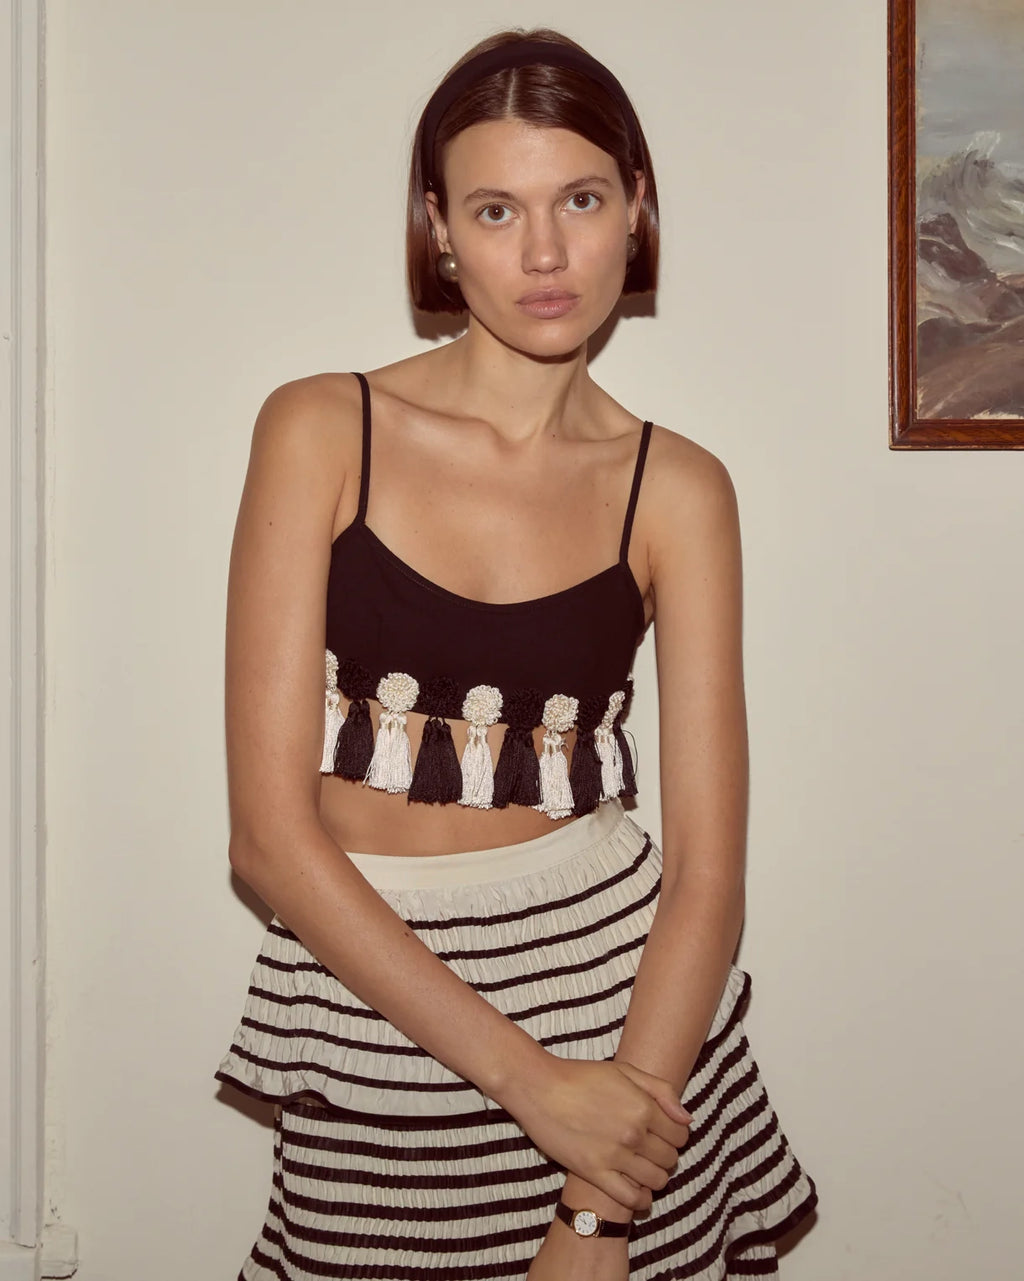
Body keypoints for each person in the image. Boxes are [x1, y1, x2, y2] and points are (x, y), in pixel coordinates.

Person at [215, 26, 817, 1281]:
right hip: (380, 1017)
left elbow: (707, 878)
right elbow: (268, 840)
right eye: (496, 210)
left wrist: (599, 1205)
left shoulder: (678, 489)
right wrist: (534, 1087)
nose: (544, 254)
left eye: (579, 201)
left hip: (623, 1036)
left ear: (635, 209)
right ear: (438, 229)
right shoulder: (321, 428)